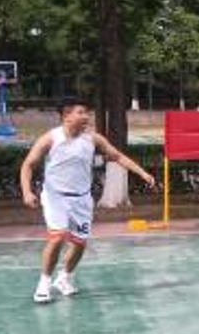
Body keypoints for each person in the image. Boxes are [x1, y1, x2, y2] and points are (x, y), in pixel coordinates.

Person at [19, 97, 156, 303]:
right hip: (56, 197)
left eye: (87, 113)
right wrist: (27, 192)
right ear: (67, 115)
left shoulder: (93, 139)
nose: (86, 116)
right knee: (57, 237)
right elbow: (28, 165)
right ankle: (44, 283)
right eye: (81, 112)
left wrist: (142, 173)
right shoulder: (50, 138)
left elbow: (118, 156)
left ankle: (64, 278)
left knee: (79, 243)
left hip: (82, 199)